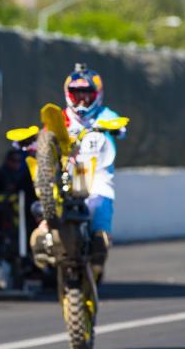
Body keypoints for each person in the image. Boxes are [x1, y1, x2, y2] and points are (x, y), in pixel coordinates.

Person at [32, 63, 125, 279]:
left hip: (96, 175)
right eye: (76, 94)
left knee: (101, 207)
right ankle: (44, 238)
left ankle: (98, 251)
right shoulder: (61, 117)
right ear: (68, 94)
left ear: (97, 95)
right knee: (42, 200)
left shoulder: (104, 114)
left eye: (87, 94)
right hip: (68, 173)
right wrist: (33, 142)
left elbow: (119, 124)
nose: (82, 99)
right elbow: (45, 136)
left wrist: (115, 127)